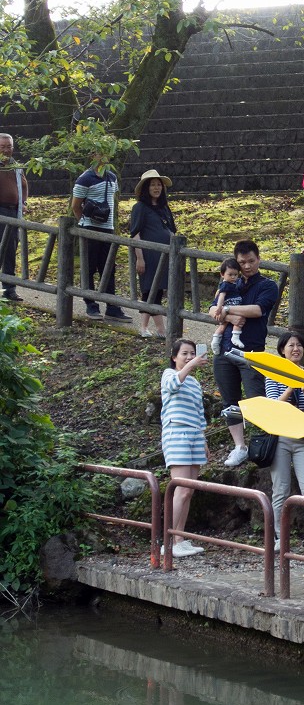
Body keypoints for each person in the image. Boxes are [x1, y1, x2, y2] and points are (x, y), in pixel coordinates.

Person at [212, 240, 278, 469]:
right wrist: (227, 316)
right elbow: (213, 309)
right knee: (230, 400)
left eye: (251, 261)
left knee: (256, 398)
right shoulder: (231, 281)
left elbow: (258, 310)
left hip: (251, 350)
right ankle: (239, 446)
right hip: (225, 349)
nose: (247, 266)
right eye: (242, 262)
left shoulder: (268, 285)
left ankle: (262, 445)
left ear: (258, 259)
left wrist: (227, 310)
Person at [265, 330, 304, 557]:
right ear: (282, 350)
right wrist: (291, 384)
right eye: (291, 345)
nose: (295, 349)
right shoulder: (273, 373)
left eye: (299, 345)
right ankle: (280, 538)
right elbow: (273, 406)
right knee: (280, 490)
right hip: (280, 437)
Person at [160, 338, 210, 558]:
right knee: (179, 489)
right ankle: (167, 540)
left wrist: (203, 438)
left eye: (192, 353)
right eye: (185, 354)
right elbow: (173, 385)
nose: (190, 357)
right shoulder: (169, 375)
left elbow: (200, 413)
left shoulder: (195, 384)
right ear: (174, 357)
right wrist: (191, 366)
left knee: (188, 490)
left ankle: (179, 538)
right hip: (176, 432)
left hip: (194, 434)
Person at [71, 154, 130, 321]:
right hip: (89, 228)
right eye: (99, 153)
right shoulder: (85, 178)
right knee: (89, 267)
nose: (103, 157)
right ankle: (90, 303)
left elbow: (112, 200)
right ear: (92, 156)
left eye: (106, 153)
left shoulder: (112, 177)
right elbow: (76, 206)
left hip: (108, 228)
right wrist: (84, 223)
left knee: (109, 268)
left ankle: (111, 305)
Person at [129, 169, 176, 338]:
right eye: (152, 185)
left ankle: (160, 330)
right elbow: (135, 233)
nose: (156, 188)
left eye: (159, 185)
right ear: (145, 188)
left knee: (158, 291)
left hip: (164, 256)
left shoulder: (164, 208)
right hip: (149, 255)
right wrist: (139, 258)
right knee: (149, 290)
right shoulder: (139, 208)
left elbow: (171, 231)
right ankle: (146, 328)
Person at [0, 132, 29, 301]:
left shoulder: (16, 166)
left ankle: (9, 289)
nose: (6, 150)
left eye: (9, 147)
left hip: (14, 211)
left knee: (10, 250)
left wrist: (24, 203)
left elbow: (24, 186)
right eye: (2, 147)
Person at [209, 259, 246, 353]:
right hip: (229, 305)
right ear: (222, 274)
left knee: (223, 326)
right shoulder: (225, 285)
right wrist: (219, 307)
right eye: (230, 275)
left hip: (231, 306)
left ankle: (215, 340)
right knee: (238, 320)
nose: (233, 277)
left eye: (235, 275)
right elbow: (221, 296)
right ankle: (235, 337)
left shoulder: (234, 284)